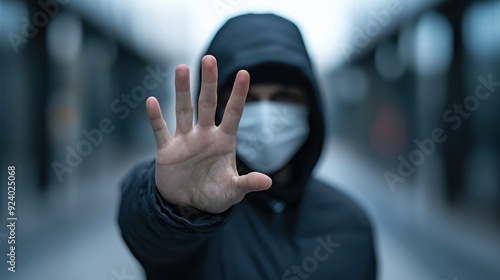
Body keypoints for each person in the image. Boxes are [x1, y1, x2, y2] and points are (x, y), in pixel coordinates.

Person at [118, 13, 377, 280]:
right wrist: (175, 208)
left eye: (284, 96)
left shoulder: (350, 223)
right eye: (247, 99)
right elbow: (146, 233)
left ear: (311, 108)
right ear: (219, 109)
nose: (266, 115)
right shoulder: (197, 220)